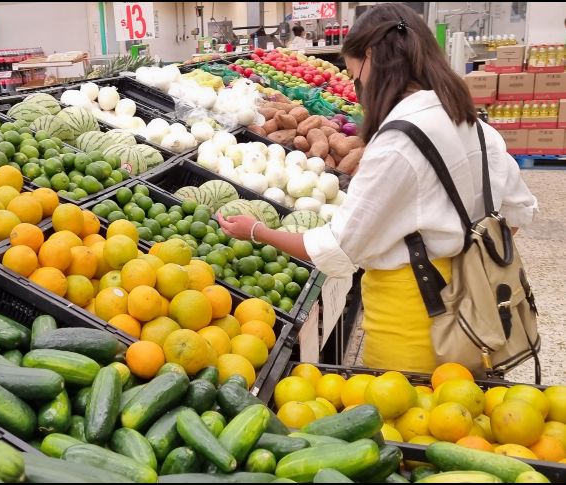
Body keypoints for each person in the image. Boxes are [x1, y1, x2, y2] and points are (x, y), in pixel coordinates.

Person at [218, 3, 538, 374]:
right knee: (466, 419)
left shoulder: (399, 141)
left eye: (355, 75)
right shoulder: (472, 123)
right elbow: (517, 212)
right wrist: (464, 262)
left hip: (416, 322)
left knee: (411, 423)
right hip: (480, 317)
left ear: (371, 57)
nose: (360, 86)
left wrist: (257, 231)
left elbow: (339, 248)